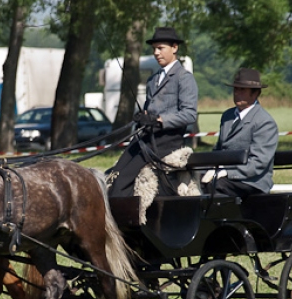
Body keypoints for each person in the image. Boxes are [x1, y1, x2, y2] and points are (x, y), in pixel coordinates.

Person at [108, 27, 198, 197]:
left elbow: (189, 114)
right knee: (114, 174)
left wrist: (159, 120)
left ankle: (130, 218)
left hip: (167, 141)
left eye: (160, 48)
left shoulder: (184, 78)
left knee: (124, 180)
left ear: (174, 48)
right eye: (154, 49)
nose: (156, 53)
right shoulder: (152, 80)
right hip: (146, 138)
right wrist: (144, 117)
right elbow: (150, 109)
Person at [202, 67, 278, 198]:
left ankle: (223, 217)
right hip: (226, 176)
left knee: (216, 184)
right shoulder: (228, 116)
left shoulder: (264, 122)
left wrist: (227, 172)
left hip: (252, 181)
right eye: (235, 89)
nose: (237, 93)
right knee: (193, 178)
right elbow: (219, 149)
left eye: (242, 90)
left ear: (255, 94)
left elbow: (257, 163)